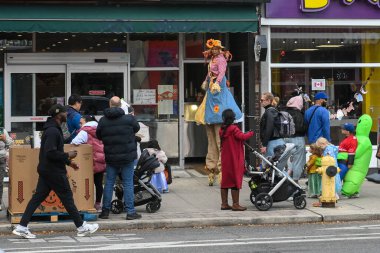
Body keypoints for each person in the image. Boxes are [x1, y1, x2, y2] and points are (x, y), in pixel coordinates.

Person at [12, 104, 99, 239]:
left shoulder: (52, 129)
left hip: (47, 170)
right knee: (67, 197)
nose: (67, 115)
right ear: (59, 115)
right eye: (65, 113)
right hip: (53, 171)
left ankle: (22, 227)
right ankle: (82, 227)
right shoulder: (53, 131)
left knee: (37, 198)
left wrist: (69, 163)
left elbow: (53, 152)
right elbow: (50, 153)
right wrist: (68, 156)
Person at [195, 39, 242, 187]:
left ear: (220, 49)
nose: (214, 51)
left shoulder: (221, 59)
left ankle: (221, 169)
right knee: (212, 141)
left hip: (218, 93)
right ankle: (211, 168)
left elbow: (221, 72)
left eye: (216, 48)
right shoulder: (213, 59)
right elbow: (210, 73)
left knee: (219, 140)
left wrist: (216, 82)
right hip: (211, 97)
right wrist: (206, 81)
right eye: (213, 49)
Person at [96, 96, 141, 220]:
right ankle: (130, 212)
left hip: (111, 157)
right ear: (121, 105)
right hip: (127, 157)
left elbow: (98, 135)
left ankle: (105, 211)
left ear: (110, 105)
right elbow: (137, 128)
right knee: (128, 183)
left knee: (109, 182)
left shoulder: (103, 121)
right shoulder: (128, 119)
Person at [219, 109, 253, 211]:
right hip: (234, 158)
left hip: (225, 158)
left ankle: (224, 204)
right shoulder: (234, 129)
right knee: (235, 180)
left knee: (225, 181)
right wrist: (251, 133)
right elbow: (242, 136)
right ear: (232, 118)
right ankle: (235, 204)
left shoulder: (222, 129)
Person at [71, 115, 106, 212]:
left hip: (88, 162)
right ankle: (98, 204)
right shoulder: (101, 129)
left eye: (81, 122)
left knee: (86, 183)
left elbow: (74, 142)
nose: (80, 125)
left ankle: (87, 203)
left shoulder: (85, 131)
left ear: (86, 121)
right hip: (101, 160)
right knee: (98, 184)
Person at [283, 95, 307, 183]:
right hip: (297, 138)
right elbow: (301, 128)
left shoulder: (284, 113)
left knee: (284, 160)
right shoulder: (299, 114)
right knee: (298, 160)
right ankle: (295, 181)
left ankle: (283, 179)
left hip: (285, 139)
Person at [259, 92, 285, 158]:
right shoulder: (274, 111)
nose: (260, 102)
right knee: (276, 166)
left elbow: (269, 128)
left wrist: (264, 145)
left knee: (269, 166)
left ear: (268, 101)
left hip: (272, 143)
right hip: (279, 141)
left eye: (262, 100)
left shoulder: (269, 112)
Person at [0, 127, 13, 211]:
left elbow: (11, 144)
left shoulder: (2, 130)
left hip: (1, 159)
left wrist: (5, 139)